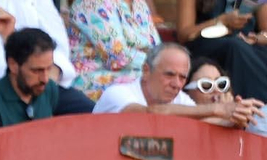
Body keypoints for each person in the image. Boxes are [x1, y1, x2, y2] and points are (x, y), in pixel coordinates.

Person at [94, 42, 257, 124]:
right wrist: (218, 109)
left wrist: (235, 119)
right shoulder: (117, 93)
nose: (177, 84)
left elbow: (208, 123)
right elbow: (150, 115)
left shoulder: (180, 100)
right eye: (169, 75)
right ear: (146, 71)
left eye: (182, 77)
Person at [0, 28, 78, 127]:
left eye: (49, 69)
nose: (45, 79)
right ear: (13, 65)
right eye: (36, 71)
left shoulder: (49, 89)